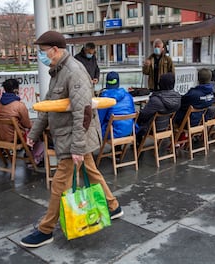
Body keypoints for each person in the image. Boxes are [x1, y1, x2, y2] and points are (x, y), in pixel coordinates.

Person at [20, 30, 123, 248]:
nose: (41, 56)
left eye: (42, 52)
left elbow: (83, 112)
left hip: (73, 139)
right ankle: (113, 206)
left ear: (55, 50)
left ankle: (45, 229)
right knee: (92, 173)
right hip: (70, 136)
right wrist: (34, 134)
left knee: (60, 184)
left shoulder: (74, 72)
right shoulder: (58, 71)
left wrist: (76, 146)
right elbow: (48, 106)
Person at [136, 72, 181, 144]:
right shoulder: (178, 98)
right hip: (167, 127)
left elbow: (143, 115)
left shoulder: (156, 100)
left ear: (161, 84)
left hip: (152, 128)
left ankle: (137, 144)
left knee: (135, 121)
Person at [98, 71, 136, 139]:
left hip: (113, 132)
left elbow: (99, 119)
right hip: (129, 130)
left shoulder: (105, 98)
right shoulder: (128, 96)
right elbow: (133, 111)